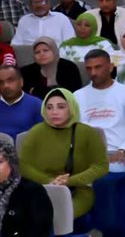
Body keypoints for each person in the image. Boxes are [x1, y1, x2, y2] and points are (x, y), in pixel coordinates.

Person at [17, 89, 107, 222]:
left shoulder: (88, 133)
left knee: (60, 213)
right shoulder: (36, 132)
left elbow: (101, 166)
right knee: (36, 212)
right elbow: (23, 165)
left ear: (71, 108)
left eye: (61, 107)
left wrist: (69, 181)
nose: (54, 112)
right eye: (49, 107)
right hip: (42, 188)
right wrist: (50, 181)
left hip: (78, 189)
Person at [75, 50, 125, 175]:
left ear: (111, 67)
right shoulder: (77, 96)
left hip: (117, 153)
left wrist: (123, 150)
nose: (93, 73)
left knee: (110, 171)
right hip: (86, 154)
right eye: (89, 68)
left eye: (98, 67)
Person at [0, 66, 42, 140]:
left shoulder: (37, 104)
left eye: (10, 80)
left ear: (21, 81)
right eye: (1, 82)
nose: (6, 86)